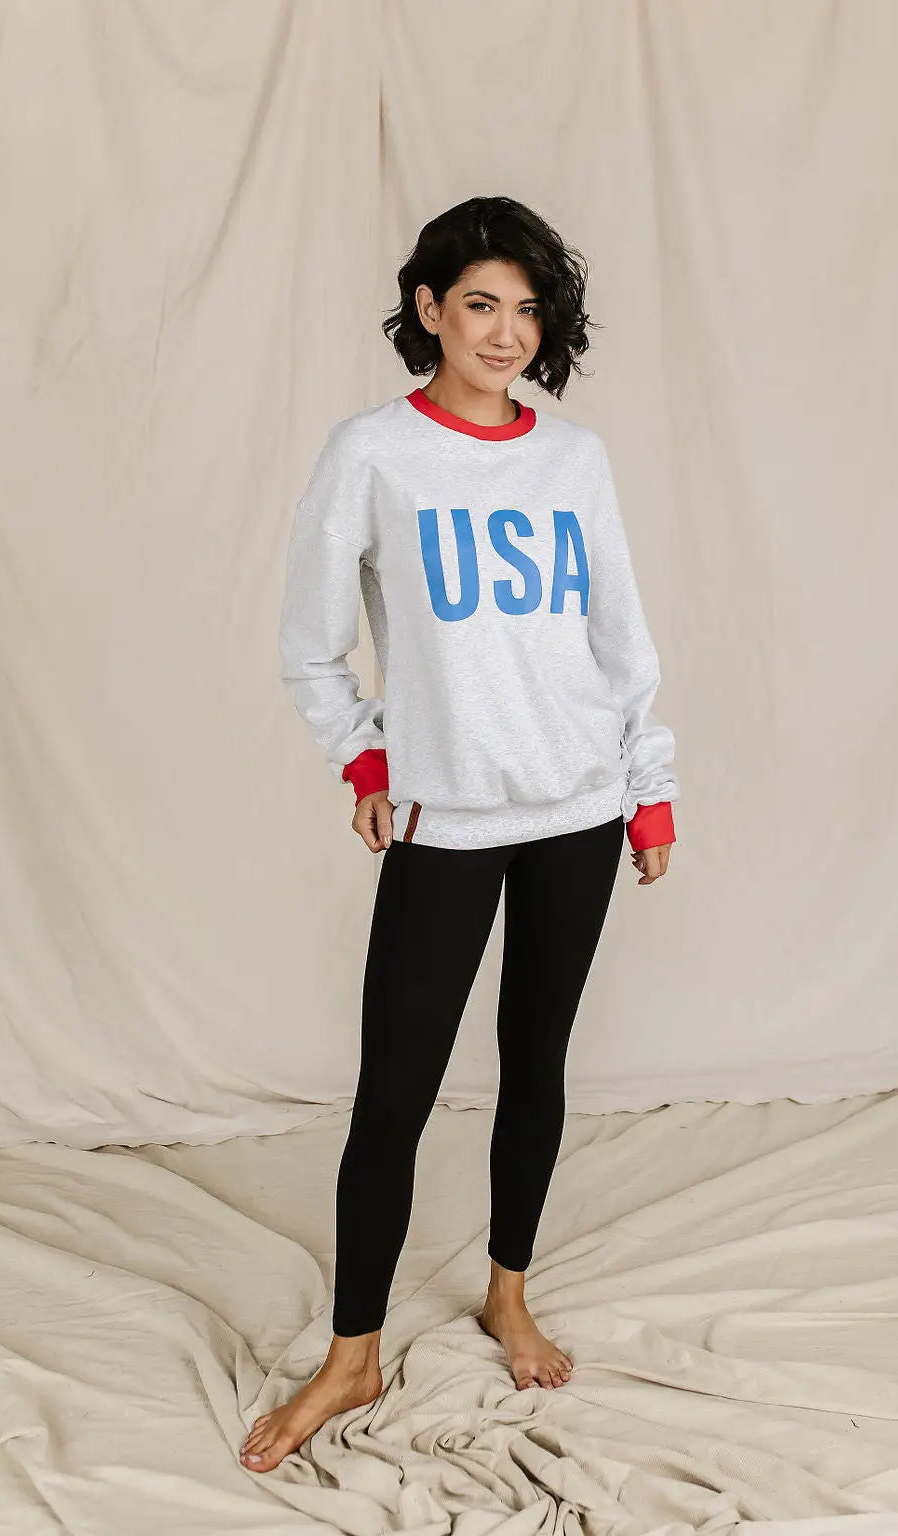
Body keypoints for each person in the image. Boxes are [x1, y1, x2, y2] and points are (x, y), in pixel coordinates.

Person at [241, 195, 679, 1472]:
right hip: (448, 819)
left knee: (536, 1060)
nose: (505, 333)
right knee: (394, 1092)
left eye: (528, 309)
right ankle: (352, 1352)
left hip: (579, 808)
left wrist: (647, 785)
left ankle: (507, 1289)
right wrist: (366, 755)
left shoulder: (574, 460)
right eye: (480, 303)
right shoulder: (373, 454)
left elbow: (619, 639)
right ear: (428, 307)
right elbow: (310, 644)